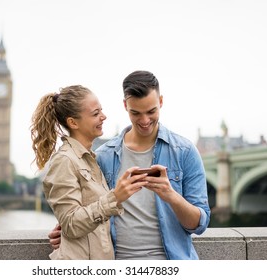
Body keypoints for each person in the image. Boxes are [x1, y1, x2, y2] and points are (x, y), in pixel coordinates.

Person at [48, 71, 211, 260]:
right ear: (125, 105)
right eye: (135, 113)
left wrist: (171, 196)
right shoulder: (103, 157)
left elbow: (200, 225)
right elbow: (85, 214)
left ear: (161, 102)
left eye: (151, 112)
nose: (144, 121)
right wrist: (67, 231)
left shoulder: (184, 151)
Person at [30, 85, 148, 260]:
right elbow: (71, 224)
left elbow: (79, 217)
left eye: (101, 110)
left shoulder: (90, 159)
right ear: (73, 123)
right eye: (95, 114)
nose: (103, 116)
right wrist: (115, 197)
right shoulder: (64, 160)